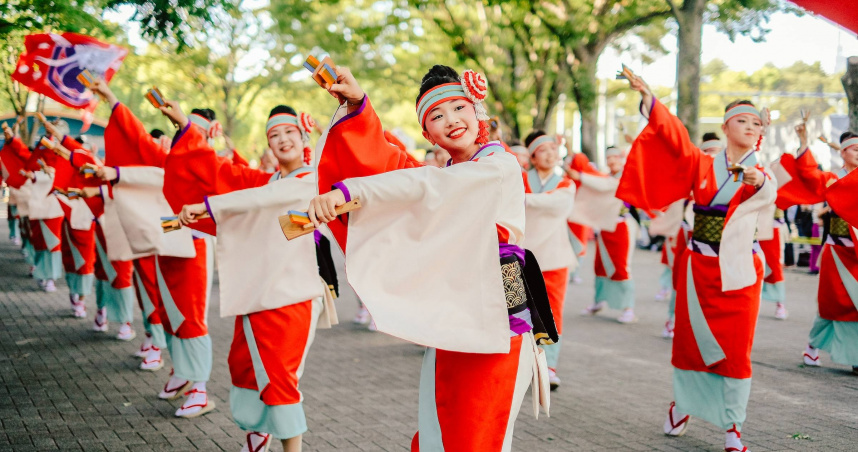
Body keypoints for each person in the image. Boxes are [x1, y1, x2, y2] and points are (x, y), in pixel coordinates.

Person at [308, 64, 554, 451]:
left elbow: (428, 184)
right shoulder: (451, 172)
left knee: (476, 439)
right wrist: (358, 106)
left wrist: (353, 191)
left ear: (478, 111)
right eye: (437, 116)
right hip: (454, 316)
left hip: (499, 321)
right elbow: (394, 166)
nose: (451, 120)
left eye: (458, 108)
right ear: (427, 134)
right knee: (440, 432)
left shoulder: (499, 165)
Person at [618, 74, 775, 452]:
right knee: (690, 344)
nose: (750, 127)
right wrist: (649, 98)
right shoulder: (701, 163)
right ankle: (683, 405)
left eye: (756, 123)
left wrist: (756, 181)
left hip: (739, 271)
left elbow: (769, 192)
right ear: (725, 127)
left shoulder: (760, 171)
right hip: (698, 267)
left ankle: (733, 425)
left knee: (736, 350)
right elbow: (674, 136)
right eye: (742, 121)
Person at [174, 104, 337, 452]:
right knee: (244, 367)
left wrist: (209, 206)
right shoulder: (267, 181)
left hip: (293, 291)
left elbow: (263, 198)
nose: (282, 139)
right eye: (274, 135)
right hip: (258, 289)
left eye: (289, 132)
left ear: (303, 136)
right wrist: (186, 127)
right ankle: (259, 431)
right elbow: (223, 173)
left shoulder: (312, 179)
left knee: (279, 376)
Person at [780, 125, 858, 375]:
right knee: (833, 306)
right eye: (855, 149)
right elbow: (809, 174)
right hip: (838, 252)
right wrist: (803, 142)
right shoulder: (833, 179)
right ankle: (813, 346)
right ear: (843, 153)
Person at [522, 130, 576, 390]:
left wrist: (524, 200)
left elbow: (558, 205)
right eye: (543, 150)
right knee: (521, 311)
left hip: (554, 257)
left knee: (552, 312)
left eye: (553, 149)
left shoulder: (566, 183)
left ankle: (549, 366)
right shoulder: (521, 179)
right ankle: (523, 363)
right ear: (532, 157)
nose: (550, 154)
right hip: (523, 256)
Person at [577, 146, 639, 324]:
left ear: (621, 158)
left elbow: (609, 186)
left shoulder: (625, 176)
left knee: (621, 266)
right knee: (600, 265)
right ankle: (599, 301)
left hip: (621, 225)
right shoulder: (606, 177)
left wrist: (581, 176)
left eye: (615, 157)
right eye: (608, 158)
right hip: (605, 225)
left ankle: (628, 308)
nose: (611, 161)